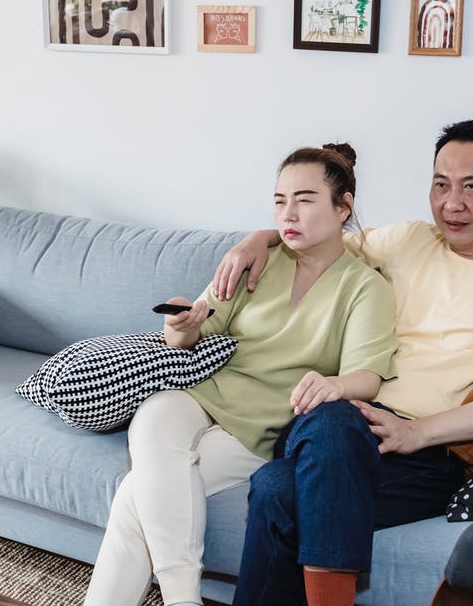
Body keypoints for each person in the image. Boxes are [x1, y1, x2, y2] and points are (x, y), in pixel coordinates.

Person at [213, 120, 473, 606]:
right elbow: (318, 235)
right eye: (441, 184)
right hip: (338, 427)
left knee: (276, 488)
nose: (452, 203)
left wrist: (417, 433)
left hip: (428, 456)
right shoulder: (408, 240)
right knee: (333, 413)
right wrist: (259, 238)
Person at [84, 144, 398, 606]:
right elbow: (192, 333)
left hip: (260, 428)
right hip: (202, 395)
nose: (287, 213)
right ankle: (183, 600)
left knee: (135, 496)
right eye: (279, 200)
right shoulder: (258, 259)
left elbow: (367, 377)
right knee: (153, 414)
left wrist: (336, 385)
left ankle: (176, 599)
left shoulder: (365, 287)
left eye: (305, 199)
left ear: (343, 206)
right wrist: (179, 325)